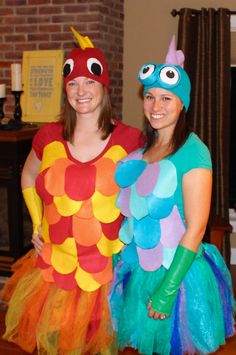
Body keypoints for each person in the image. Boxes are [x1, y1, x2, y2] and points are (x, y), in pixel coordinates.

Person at [1, 27, 144, 354]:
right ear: (65, 89)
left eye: (89, 81)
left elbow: (144, 198)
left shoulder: (131, 140)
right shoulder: (48, 136)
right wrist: (37, 224)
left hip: (107, 273)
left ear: (103, 86)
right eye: (73, 83)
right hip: (55, 274)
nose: (81, 90)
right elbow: (26, 178)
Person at [109, 36, 235, 355]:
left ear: (182, 103)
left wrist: (167, 291)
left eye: (167, 98)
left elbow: (196, 228)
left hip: (178, 278)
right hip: (141, 268)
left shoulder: (194, 151)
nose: (156, 106)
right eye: (150, 97)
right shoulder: (143, 150)